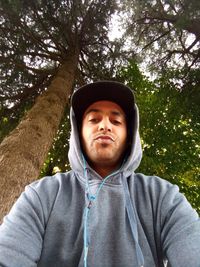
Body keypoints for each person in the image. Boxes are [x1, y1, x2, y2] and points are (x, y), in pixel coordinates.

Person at [0, 81, 199, 267]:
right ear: (78, 135)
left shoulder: (163, 196)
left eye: (116, 121)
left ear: (130, 137)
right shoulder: (42, 194)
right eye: (94, 119)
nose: (105, 126)